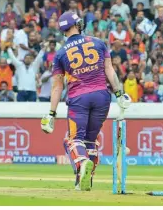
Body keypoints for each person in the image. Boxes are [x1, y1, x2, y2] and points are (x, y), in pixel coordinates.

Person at [40, 11, 131, 191]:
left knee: (73, 140)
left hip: (79, 98)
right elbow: (109, 71)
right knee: (90, 140)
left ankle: (82, 165)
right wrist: (119, 94)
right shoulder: (98, 43)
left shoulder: (60, 54)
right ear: (77, 25)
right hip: (102, 96)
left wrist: (51, 112)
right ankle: (83, 181)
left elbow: (57, 86)